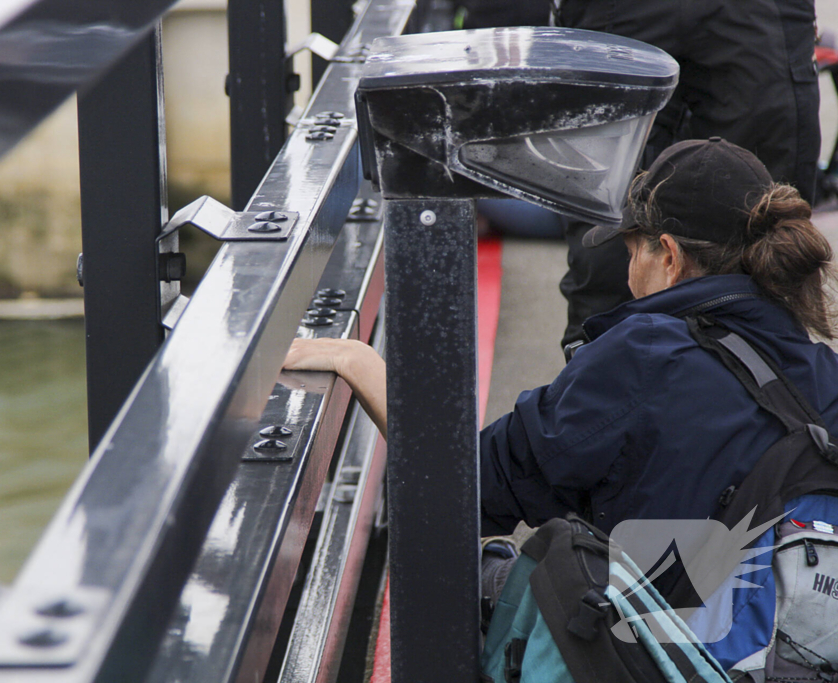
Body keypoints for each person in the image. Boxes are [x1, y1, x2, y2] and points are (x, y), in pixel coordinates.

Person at [284, 137, 838, 669]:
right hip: (781, 656)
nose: (628, 273)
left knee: (469, 572)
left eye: (631, 251)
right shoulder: (824, 372)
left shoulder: (648, 354)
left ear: (667, 255)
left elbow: (470, 488)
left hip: (659, 663)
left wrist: (358, 361)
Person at [553, 0, 821, 353]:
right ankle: (601, 387)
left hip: (754, 12)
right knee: (607, 230)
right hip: (620, 10)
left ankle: (763, 391)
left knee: (766, 227)